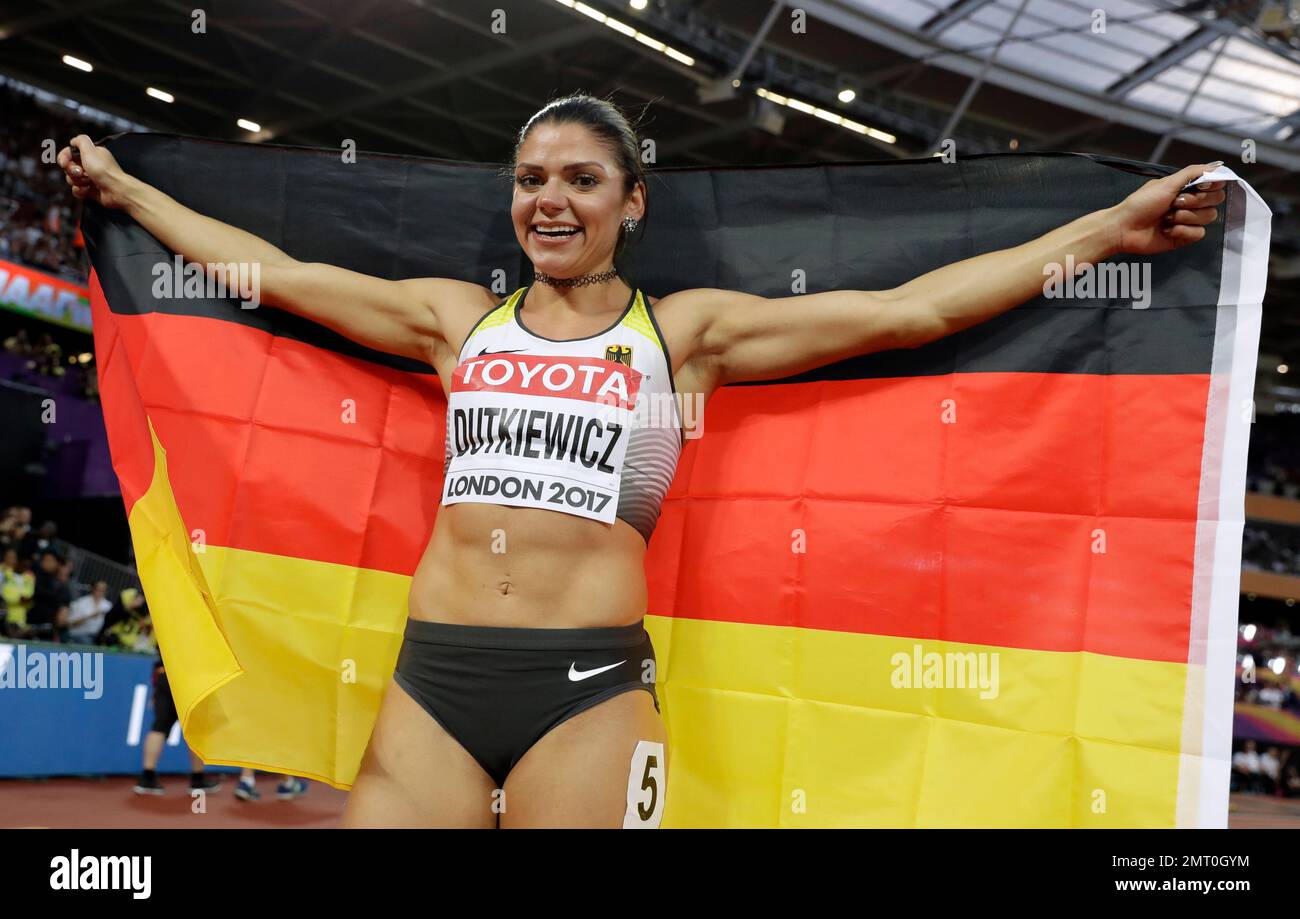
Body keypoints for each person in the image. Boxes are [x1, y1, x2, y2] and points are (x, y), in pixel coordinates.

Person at [60, 93, 1225, 828]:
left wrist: (1105, 233)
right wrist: (125, 192)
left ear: (633, 202)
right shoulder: (453, 318)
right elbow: (269, 272)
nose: (549, 199)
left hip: (589, 695)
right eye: (530, 179)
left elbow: (912, 312)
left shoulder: (685, 334)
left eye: (579, 179)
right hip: (432, 684)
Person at [133, 657, 222, 796]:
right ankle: (197, 779)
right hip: (191, 677)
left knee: (159, 727)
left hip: (165, 673)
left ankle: (147, 777)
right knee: (196, 729)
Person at [66, 580, 111, 644]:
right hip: (80, 634)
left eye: (103, 590)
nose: (100, 592)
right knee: (88, 644)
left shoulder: (108, 605)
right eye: (98, 589)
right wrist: (89, 617)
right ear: (93, 589)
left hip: (98, 635)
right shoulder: (81, 602)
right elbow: (71, 624)